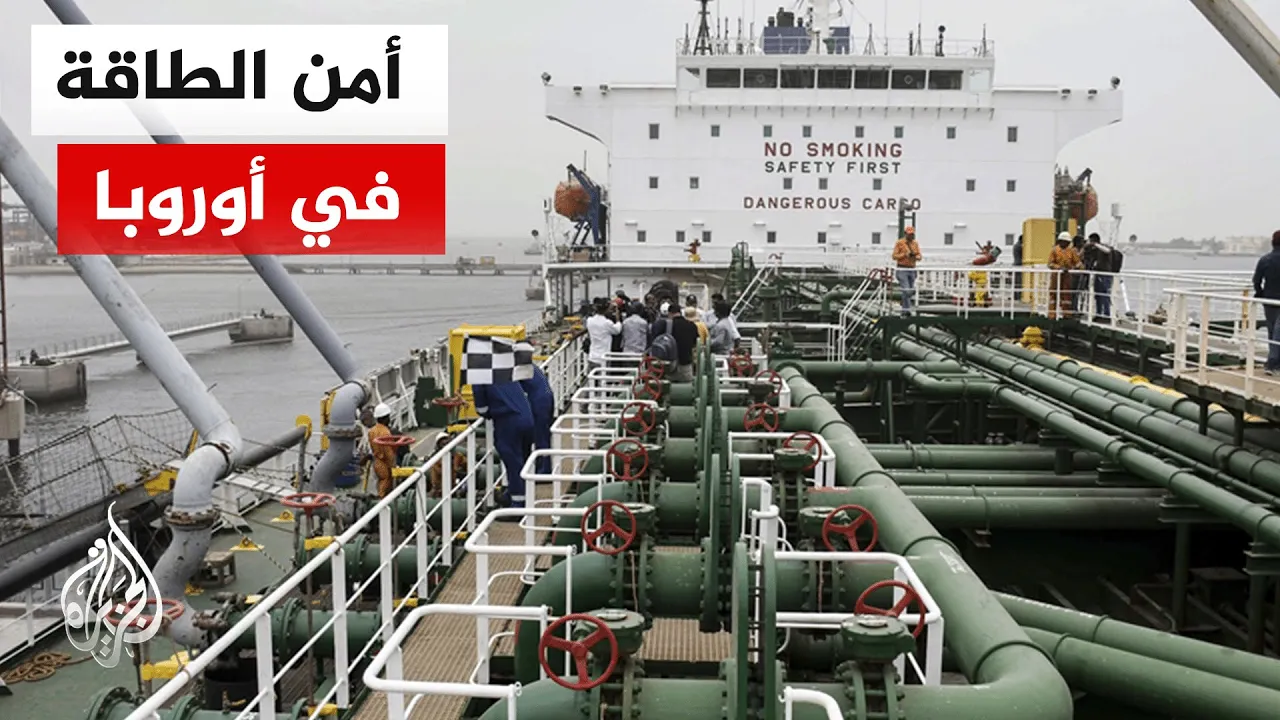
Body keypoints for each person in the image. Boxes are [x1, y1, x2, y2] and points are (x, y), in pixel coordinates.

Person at [473, 377, 535, 510]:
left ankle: (517, 505)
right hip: (527, 418)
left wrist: (489, 412)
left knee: (513, 463)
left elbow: (482, 409)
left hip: (508, 421)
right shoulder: (505, 370)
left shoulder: (479, 374)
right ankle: (513, 494)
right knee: (523, 460)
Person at [516, 346, 555, 476]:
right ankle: (541, 465)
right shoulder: (530, 367)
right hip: (546, 397)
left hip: (539, 402)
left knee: (541, 435)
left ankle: (544, 470)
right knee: (543, 434)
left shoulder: (518, 369)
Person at [1254, 231, 1280, 374]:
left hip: (1269, 299)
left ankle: (1273, 361)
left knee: (1272, 330)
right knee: (1278, 331)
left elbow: (1256, 280)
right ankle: (1273, 363)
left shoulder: (1265, 259)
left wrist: (1260, 292)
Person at [1048, 231, 1083, 319]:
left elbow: (1078, 262)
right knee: (1054, 294)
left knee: (1066, 295)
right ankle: (1052, 314)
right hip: (1056, 276)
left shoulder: (1071, 251)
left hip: (1067, 276)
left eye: (1068, 242)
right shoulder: (1054, 250)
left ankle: (1066, 314)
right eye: (1065, 242)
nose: (1066, 244)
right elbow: (1050, 264)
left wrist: (1076, 267)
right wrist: (1059, 268)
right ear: (1060, 241)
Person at [367, 403, 398, 497]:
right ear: (385, 418)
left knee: (380, 481)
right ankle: (381, 500)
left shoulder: (372, 431)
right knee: (386, 481)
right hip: (384, 462)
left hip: (376, 461)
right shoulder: (385, 432)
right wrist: (393, 465)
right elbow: (388, 452)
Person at [1084, 233, 1117, 320]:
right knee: (1098, 295)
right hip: (1097, 274)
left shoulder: (1103, 247)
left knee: (1105, 294)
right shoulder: (1093, 250)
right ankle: (1099, 313)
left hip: (1105, 274)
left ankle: (1106, 314)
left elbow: (1107, 251)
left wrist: (1095, 244)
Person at [892, 226, 922, 315]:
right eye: (909, 234)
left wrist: (915, 256)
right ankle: (907, 309)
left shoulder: (915, 244)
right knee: (906, 290)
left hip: (912, 269)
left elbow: (919, 256)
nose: (911, 236)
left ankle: (905, 310)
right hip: (902, 269)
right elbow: (894, 256)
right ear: (905, 234)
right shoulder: (899, 243)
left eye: (912, 234)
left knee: (909, 290)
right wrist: (904, 255)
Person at [584, 299, 621, 370]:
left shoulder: (590, 320)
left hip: (592, 356)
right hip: (604, 357)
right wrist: (617, 318)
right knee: (603, 376)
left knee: (592, 375)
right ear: (606, 310)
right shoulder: (607, 323)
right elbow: (617, 330)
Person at [669, 302, 700, 382]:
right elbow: (695, 343)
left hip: (669, 367)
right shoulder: (692, 325)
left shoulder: (666, 325)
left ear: (669, 313)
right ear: (680, 312)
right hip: (686, 366)